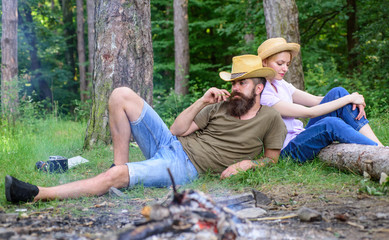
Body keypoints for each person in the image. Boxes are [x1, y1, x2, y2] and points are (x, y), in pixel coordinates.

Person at [5, 54, 287, 203]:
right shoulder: (220, 106)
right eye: (234, 82)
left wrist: (250, 164)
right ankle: (118, 171)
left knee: (116, 175)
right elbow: (176, 130)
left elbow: (272, 160)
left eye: (242, 83)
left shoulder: (270, 118)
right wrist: (202, 100)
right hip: (170, 145)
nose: (234, 88)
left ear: (259, 87)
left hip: (186, 168)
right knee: (120, 95)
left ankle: (38, 193)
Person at [257, 37, 383, 163]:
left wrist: (347, 98)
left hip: (300, 136)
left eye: (287, 64)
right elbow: (309, 112)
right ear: (264, 62)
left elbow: (316, 100)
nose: (285, 68)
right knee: (331, 124)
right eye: (280, 64)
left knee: (337, 92)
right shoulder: (263, 94)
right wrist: (348, 98)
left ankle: (380, 147)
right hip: (287, 151)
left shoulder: (279, 83)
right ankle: (379, 151)